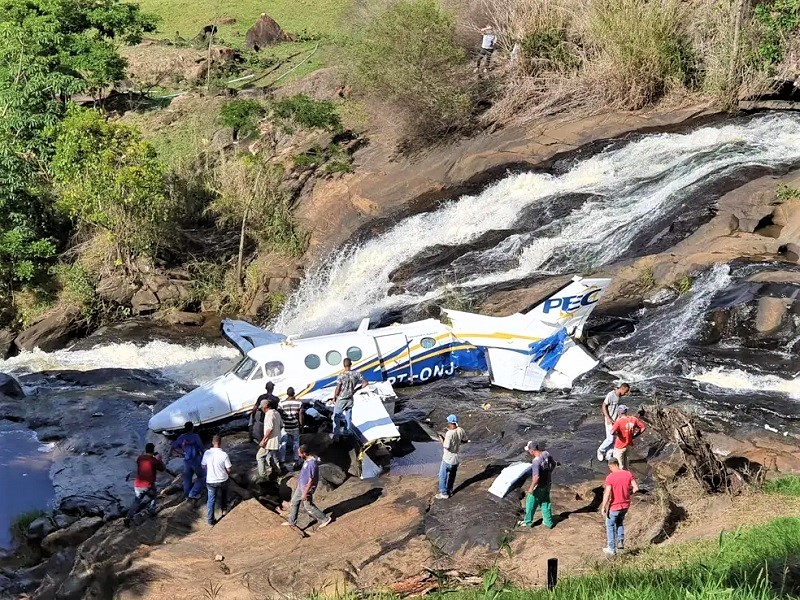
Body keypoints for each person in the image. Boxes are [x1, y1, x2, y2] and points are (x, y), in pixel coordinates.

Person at [283, 445, 332, 528]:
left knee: (308, 506)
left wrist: (305, 492)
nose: (298, 455)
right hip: (301, 486)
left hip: (307, 488)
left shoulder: (311, 464)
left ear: (304, 453)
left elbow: (311, 480)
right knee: (294, 501)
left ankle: (325, 519)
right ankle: (292, 521)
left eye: (299, 453)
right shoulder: (306, 460)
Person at [601, 457, 639, 556]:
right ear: (618, 463)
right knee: (620, 522)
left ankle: (611, 548)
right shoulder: (628, 474)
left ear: (610, 466)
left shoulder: (610, 477)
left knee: (609, 525)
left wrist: (603, 506)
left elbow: (607, 493)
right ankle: (621, 541)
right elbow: (635, 488)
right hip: (625, 505)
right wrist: (628, 493)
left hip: (615, 506)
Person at [124, 443, 165, 527]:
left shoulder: (140, 458)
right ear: (153, 450)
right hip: (148, 485)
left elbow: (145, 462)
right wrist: (159, 459)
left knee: (137, 501)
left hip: (138, 485)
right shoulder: (153, 460)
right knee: (153, 496)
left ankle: (128, 516)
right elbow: (162, 468)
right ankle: (152, 511)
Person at [519, 441, 555, 529]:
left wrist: (531, 488)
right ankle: (548, 522)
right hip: (548, 484)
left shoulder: (536, 461)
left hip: (539, 486)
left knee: (530, 503)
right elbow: (553, 464)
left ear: (532, 450)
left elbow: (536, 477)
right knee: (545, 503)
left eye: (529, 451)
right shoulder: (546, 454)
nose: (528, 452)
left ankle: (528, 522)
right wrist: (548, 474)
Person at [331, 358, 367, 441]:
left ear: (344, 365)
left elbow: (338, 388)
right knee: (348, 415)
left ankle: (336, 435)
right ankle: (347, 432)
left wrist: (334, 398)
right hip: (350, 398)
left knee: (336, 416)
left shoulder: (341, 376)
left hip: (341, 399)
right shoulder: (357, 374)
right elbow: (365, 383)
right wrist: (356, 390)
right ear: (351, 364)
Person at [170, 422, 205, 501]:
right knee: (202, 476)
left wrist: (182, 453)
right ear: (192, 428)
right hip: (195, 460)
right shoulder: (196, 436)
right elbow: (202, 448)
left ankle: (186, 495)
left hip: (186, 460)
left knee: (187, 478)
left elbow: (174, 446)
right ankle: (193, 493)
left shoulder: (182, 437)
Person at [435, 414, 468, 499]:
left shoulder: (449, 433)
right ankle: (450, 491)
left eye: (448, 422)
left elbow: (446, 447)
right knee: (452, 476)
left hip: (447, 458)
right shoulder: (461, 430)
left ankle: (443, 493)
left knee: (442, 476)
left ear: (450, 423)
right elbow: (465, 440)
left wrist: (441, 440)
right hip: (456, 459)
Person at [202, 435, 232, 526]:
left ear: (212, 442)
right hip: (223, 479)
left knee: (211, 500)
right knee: (224, 494)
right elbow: (229, 469)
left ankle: (210, 521)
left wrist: (209, 470)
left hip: (211, 481)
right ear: (220, 443)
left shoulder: (207, 453)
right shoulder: (224, 454)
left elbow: (203, 465)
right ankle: (224, 510)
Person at [596, 383, 631, 462]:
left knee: (616, 439)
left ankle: (609, 453)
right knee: (610, 439)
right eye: (625, 392)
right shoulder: (611, 395)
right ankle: (600, 450)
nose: (625, 394)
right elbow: (604, 405)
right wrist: (608, 418)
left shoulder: (619, 396)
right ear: (622, 388)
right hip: (610, 420)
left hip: (616, 420)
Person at [611, 405, 646, 471]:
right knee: (626, 463)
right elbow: (643, 427)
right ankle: (627, 476)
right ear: (626, 411)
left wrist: (617, 433)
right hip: (628, 444)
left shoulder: (619, 421)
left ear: (619, 412)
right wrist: (634, 436)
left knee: (619, 465)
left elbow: (612, 432)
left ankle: (621, 479)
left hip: (619, 446)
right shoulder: (633, 419)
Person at [256, 397, 283, 478]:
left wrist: (263, 440)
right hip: (276, 439)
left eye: (261, 408)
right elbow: (281, 425)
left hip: (269, 441)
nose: (261, 410)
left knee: (259, 456)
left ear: (265, 407)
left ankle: (263, 476)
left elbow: (269, 429)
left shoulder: (268, 414)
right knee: (271, 456)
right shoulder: (276, 413)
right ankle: (277, 470)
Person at [279, 387, 304, 470]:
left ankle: (282, 462)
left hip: (285, 426)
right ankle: (296, 461)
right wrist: (301, 425)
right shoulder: (299, 403)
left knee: (283, 444)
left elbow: (281, 415)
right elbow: (301, 415)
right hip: (294, 426)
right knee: (296, 443)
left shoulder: (281, 403)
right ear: (294, 393)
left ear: (287, 393)